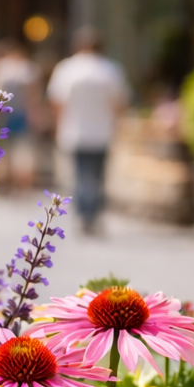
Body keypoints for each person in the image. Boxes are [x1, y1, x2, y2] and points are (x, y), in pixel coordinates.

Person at [46, 26, 129, 233]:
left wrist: (57, 125)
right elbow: (119, 102)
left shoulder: (67, 68)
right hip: (102, 130)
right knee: (98, 175)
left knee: (81, 174)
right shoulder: (109, 69)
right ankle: (93, 213)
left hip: (75, 129)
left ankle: (84, 214)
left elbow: (56, 101)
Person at [0, 39, 39, 188]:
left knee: (0, 147)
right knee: (23, 150)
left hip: (0, 114)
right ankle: (21, 184)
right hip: (21, 113)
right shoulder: (28, 68)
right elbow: (32, 95)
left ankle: (0, 181)